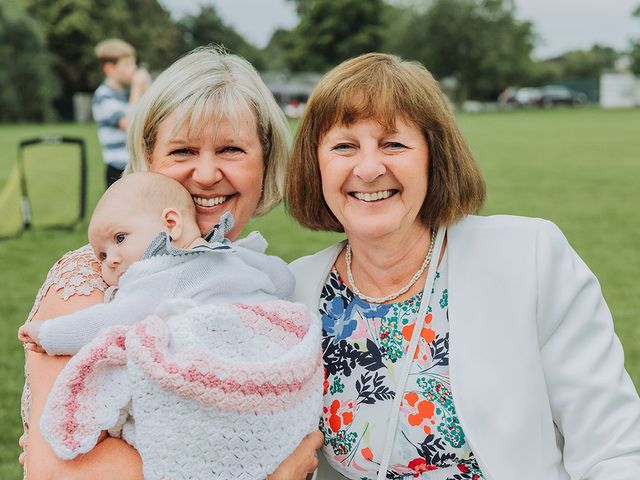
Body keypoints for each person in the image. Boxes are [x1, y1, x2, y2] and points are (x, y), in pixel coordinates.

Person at [285, 52, 640, 480]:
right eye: (344, 146)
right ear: (315, 164)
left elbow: (613, 447)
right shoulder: (296, 293)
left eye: (393, 143)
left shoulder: (528, 257)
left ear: (434, 157)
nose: (369, 167)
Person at [20, 46, 322, 480]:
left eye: (231, 150)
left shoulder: (256, 278)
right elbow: (57, 471)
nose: (205, 174)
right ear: (149, 156)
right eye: (182, 152)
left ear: (265, 159)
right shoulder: (94, 277)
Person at [93, 39, 151, 187]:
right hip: (118, 170)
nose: (134, 68)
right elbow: (130, 124)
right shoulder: (103, 96)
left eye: (134, 63)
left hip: (136, 167)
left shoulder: (127, 94)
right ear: (109, 68)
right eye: (127, 64)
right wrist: (137, 89)